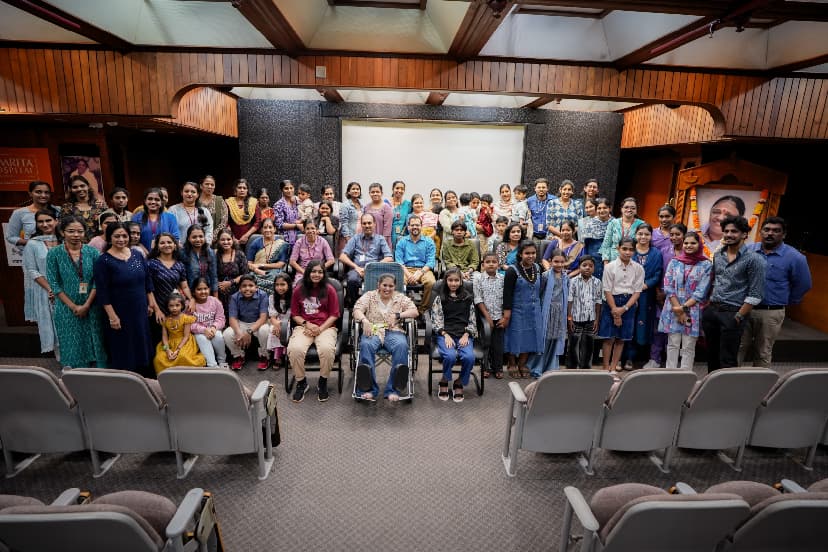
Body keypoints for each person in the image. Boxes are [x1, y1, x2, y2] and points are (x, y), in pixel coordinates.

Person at [739, 216, 811, 368]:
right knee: (737, 348)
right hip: (744, 309)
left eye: (776, 231)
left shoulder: (795, 257)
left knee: (763, 352)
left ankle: (760, 388)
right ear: (761, 232)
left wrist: (785, 301)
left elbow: (803, 284)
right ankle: (729, 385)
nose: (770, 233)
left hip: (771, 312)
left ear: (783, 234)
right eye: (766, 230)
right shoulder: (748, 250)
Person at [702, 216, 766, 373]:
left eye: (734, 231)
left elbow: (755, 293)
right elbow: (715, 281)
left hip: (733, 313)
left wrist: (738, 316)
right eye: (726, 231)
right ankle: (709, 390)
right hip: (713, 310)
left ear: (744, 234)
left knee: (727, 358)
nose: (729, 234)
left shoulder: (754, 260)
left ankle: (726, 394)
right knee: (711, 355)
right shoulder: (718, 255)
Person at [94, 221, 158, 374]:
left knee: (141, 342)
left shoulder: (137, 255)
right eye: (117, 236)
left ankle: (144, 380)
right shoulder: (103, 261)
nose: (121, 239)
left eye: (124, 236)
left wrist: (151, 303)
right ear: (109, 238)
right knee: (123, 347)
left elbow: (147, 281)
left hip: (139, 309)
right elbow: (102, 292)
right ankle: (125, 382)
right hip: (119, 311)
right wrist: (112, 316)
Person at [47, 217, 107, 368]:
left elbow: (98, 281)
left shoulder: (92, 252)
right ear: (62, 232)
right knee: (72, 342)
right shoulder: (54, 253)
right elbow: (53, 283)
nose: (76, 235)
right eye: (71, 231)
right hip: (66, 308)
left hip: (91, 306)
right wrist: (74, 306)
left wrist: (86, 305)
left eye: (80, 231)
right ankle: (74, 377)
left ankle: (99, 376)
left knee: (95, 340)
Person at [353, 273, 419, 401]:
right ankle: (368, 389)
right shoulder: (370, 296)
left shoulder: (400, 297)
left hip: (393, 331)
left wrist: (398, 315)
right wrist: (364, 320)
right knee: (365, 345)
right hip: (373, 330)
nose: (387, 289)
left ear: (395, 287)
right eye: (384, 285)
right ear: (378, 285)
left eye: (391, 286)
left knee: (402, 345)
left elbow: (414, 311)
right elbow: (357, 309)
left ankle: (393, 390)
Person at [287, 260, 340, 403]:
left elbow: (334, 314)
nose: (317, 274)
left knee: (327, 349)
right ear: (308, 273)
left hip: (326, 327)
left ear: (324, 274)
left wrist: (320, 329)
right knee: (295, 348)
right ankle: (301, 382)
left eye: (320, 272)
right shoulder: (299, 289)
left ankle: (322, 381)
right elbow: (295, 314)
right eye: (314, 271)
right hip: (305, 326)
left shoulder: (330, 289)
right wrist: (307, 324)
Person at [659, 232, 712, 370]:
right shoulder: (674, 261)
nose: (688, 246)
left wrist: (683, 309)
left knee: (688, 345)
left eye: (693, 243)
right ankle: (669, 373)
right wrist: (678, 309)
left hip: (692, 309)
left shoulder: (706, 264)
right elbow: (668, 285)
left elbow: (702, 291)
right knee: (673, 343)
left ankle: (685, 375)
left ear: (699, 245)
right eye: (686, 243)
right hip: (673, 306)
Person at [598, 238, 644, 377]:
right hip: (611, 302)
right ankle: (605, 368)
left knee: (621, 339)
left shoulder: (638, 268)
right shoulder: (609, 267)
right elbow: (607, 289)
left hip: (629, 303)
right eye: (624, 249)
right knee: (609, 338)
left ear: (634, 251)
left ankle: (613, 368)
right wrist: (615, 311)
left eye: (631, 249)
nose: (627, 252)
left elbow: (637, 291)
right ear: (618, 248)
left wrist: (624, 308)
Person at [431, 268, 477, 402]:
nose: (453, 283)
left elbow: (472, 319)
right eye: (450, 280)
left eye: (456, 280)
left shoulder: (468, 298)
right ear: (446, 281)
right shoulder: (440, 298)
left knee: (469, 357)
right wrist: (445, 334)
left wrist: (467, 334)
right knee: (450, 356)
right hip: (445, 333)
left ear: (461, 281)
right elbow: (436, 319)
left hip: (463, 333)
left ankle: (459, 382)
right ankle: (444, 380)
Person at [621, 224, 663, 370]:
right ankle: (623, 358)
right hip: (627, 293)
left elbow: (658, 273)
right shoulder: (629, 251)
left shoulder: (656, 253)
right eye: (640, 234)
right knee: (627, 323)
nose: (643, 237)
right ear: (635, 234)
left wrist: (645, 285)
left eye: (646, 234)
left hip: (646, 295)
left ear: (651, 236)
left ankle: (633, 358)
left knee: (641, 325)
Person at [502, 240, 544, 379]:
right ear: (520, 254)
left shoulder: (538, 268)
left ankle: (522, 363)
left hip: (534, 309)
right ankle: (512, 362)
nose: (530, 256)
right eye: (527, 253)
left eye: (533, 253)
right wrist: (507, 314)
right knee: (515, 336)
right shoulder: (512, 271)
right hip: (517, 309)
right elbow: (507, 293)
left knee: (531, 336)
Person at [23, 209, 60, 358]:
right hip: (47, 290)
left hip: (69, 288)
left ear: (56, 220)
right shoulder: (32, 244)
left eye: (48, 220)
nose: (45, 224)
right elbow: (32, 270)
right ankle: (63, 361)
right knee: (54, 324)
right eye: (41, 222)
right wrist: (51, 289)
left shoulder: (65, 239)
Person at [529, 248, 569, 376]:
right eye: (556, 262)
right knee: (544, 339)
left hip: (559, 312)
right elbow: (539, 293)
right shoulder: (545, 276)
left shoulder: (565, 277)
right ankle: (539, 366)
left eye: (562, 262)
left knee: (555, 339)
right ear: (550, 262)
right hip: (547, 311)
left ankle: (551, 366)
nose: (559, 265)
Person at [340, 213, 393, 306]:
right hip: (358, 269)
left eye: (369, 223)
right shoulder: (355, 238)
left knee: (382, 281)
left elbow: (389, 257)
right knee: (352, 280)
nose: (367, 226)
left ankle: (376, 306)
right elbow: (342, 256)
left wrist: (373, 267)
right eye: (364, 223)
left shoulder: (380, 239)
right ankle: (354, 305)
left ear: (374, 224)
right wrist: (356, 267)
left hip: (374, 269)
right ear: (361, 225)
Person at [223, 274, 271, 371]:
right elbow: (232, 318)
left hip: (259, 323)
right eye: (244, 286)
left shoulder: (263, 295)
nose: (247, 288)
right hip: (242, 323)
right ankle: (238, 356)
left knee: (265, 330)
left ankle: (264, 355)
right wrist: (238, 332)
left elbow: (263, 318)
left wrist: (249, 331)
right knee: (227, 334)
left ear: (256, 287)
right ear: (239, 288)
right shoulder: (234, 297)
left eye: (251, 285)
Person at [153, 292, 205, 374]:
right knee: (159, 359)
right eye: (171, 306)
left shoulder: (186, 318)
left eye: (177, 305)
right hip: (169, 344)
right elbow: (164, 337)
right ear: (167, 307)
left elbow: (186, 336)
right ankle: (168, 378)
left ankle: (185, 376)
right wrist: (167, 350)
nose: (174, 308)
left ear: (182, 306)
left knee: (182, 356)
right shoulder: (165, 320)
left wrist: (177, 350)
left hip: (185, 343)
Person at [395, 215, 437, 315]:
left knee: (431, 283)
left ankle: (423, 310)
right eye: (412, 225)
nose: (415, 227)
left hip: (423, 269)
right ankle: (403, 309)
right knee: (399, 282)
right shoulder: (402, 242)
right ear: (408, 227)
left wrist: (420, 273)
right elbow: (399, 261)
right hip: (406, 269)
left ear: (421, 226)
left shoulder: (429, 242)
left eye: (417, 225)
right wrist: (409, 275)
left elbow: (431, 261)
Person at [567, 255, 602, 370]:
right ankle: (572, 368)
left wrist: (596, 319)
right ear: (579, 267)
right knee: (573, 344)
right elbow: (570, 301)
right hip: (576, 319)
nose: (587, 268)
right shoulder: (573, 281)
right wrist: (569, 318)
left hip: (590, 319)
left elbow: (598, 302)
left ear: (594, 268)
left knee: (588, 345)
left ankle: (585, 368)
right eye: (584, 265)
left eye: (590, 266)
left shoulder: (597, 282)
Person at [473, 253, 505, 378]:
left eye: (494, 261)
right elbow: (478, 298)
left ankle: (498, 367)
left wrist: (504, 316)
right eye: (488, 262)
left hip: (499, 316)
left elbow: (506, 299)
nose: (491, 264)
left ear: (498, 264)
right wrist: (487, 317)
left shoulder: (502, 279)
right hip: (484, 317)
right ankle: (485, 367)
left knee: (498, 345)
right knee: (485, 342)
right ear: (483, 265)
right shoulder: (478, 279)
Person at [5, 181, 60, 251]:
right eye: (38, 192)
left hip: (57, 253)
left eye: (46, 192)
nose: (43, 195)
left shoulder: (58, 210)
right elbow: (11, 237)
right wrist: (32, 243)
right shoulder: (19, 213)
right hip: (33, 253)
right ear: (30, 193)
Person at [190, 277, 227, 368]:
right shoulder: (190, 305)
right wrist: (204, 330)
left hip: (213, 329)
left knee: (218, 336)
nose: (203, 291)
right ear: (194, 291)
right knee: (202, 339)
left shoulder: (215, 301)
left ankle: (222, 361)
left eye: (205, 288)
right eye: (199, 289)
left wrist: (214, 327)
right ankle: (212, 366)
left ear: (209, 289)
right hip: (199, 332)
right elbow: (189, 323)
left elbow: (221, 318)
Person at [246, 218, 288, 293]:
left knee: (276, 281)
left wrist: (260, 265)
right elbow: (249, 263)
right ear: (261, 230)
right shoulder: (255, 243)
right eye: (265, 227)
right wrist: (257, 270)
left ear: (275, 229)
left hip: (274, 271)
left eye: (270, 227)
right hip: (256, 271)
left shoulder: (281, 244)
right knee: (249, 282)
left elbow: (280, 264)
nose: (267, 230)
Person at [599, 197, 644, 265]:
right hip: (613, 261)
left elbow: (643, 245)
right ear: (621, 209)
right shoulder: (613, 223)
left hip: (632, 261)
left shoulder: (641, 224)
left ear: (636, 210)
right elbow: (606, 245)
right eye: (626, 207)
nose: (629, 210)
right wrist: (606, 264)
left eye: (633, 208)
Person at [61, 175, 107, 242]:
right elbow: (63, 227)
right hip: (77, 245)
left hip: (99, 244)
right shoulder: (67, 208)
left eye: (82, 186)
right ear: (71, 189)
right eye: (75, 187)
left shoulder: (99, 205)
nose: (79, 189)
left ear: (88, 186)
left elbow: (108, 224)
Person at [215, 227, 249, 314]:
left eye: (228, 239)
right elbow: (212, 274)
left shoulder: (239, 254)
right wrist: (220, 285)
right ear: (218, 241)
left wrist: (230, 283)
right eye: (222, 240)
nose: (226, 242)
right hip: (219, 290)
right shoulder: (215, 255)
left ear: (233, 240)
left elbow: (245, 274)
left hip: (236, 289)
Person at [182, 224, 218, 296]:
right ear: (188, 238)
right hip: (189, 292)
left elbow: (213, 276)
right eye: (194, 237)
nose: (198, 239)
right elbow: (182, 278)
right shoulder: (183, 253)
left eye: (201, 236)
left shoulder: (209, 252)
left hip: (206, 292)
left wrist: (216, 297)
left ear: (204, 238)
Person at [580, 197, 612, 280]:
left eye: (605, 208)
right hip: (593, 258)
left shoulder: (615, 223)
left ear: (610, 208)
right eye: (599, 208)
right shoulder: (590, 224)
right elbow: (585, 244)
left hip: (610, 258)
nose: (602, 211)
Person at [266, 273, 292, 367]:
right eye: (277, 285)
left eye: (282, 284)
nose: (279, 287)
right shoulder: (272, 298)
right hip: (277, 321)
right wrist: (277, 324)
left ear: (288, 285)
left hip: (290, 321)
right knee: (273, 329)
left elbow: (293, 315)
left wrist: (283, 325)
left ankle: (288, 356)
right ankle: (278, 357)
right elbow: (272, 316)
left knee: (287, 329)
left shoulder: (293, 298)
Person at [225, 178, 261, 246]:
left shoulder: (253, 202)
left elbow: (258, 222)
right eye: (239, 188)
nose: (242, 190)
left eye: (244, 188)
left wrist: (246, 236)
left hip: (250, 238)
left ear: (247, 190)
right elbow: (225, 222)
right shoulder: (228, 203)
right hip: (231, 239)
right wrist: (232, 237)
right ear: (235, 189)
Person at [198, 175, 228, 245]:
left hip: (217, 240)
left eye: (212, 185)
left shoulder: (219, 201)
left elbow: (224, 221)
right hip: (197, 239)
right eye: (207, 184)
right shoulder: (195, 200)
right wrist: (201, 239)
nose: (210, 186)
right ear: (201, 186)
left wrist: (212, 238)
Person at [362, 182, 393, 249]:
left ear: (381, 193)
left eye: (377, 192)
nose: (375, 194)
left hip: (383, 241)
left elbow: (387, 229)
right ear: (369, 193)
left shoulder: (386, 207)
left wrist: (381, 243)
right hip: (368, 241)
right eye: (372, 192)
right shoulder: (366, 207)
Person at [339, 181, 363, 253]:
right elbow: (344, 223)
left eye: (357, 189)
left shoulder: (362, 205)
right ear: (348, 192)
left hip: (360, 235)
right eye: (353, 189)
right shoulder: (345, 205)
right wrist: (348, 238)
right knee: (348, 257)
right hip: (349, 236)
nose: (356, 191)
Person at [389, 180, 411, 249]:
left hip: (403, 236)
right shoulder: (386, 204)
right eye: (397, 188)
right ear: (393, 189)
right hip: (389, 235)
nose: (399, 190)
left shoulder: (408, 204)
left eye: (402, 189)